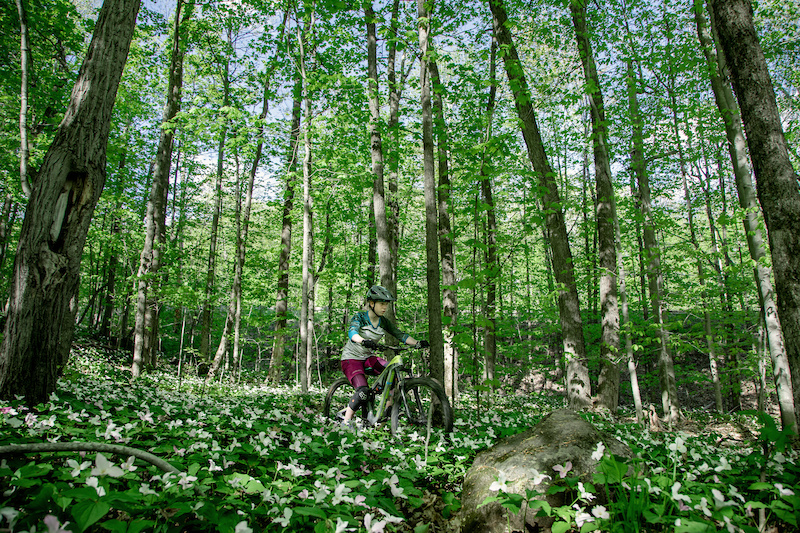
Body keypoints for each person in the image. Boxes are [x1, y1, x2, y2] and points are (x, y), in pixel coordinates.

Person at [340, 285, 428, 424]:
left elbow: (401, 335)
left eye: (386, 304)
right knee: (363, 391)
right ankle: (346, 422)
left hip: (368, 358)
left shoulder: (384, 322)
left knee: (391, 371)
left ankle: (388, 409)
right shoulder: (360, 317)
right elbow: (352, 333)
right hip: (351, 359)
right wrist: (363, 341)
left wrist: (417, 343)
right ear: (371, 303)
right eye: (382, 303)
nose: (384, 307)